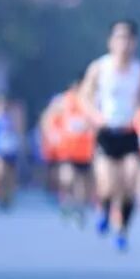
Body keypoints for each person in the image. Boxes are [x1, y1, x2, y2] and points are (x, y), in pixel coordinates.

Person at [80, 19, 140, 251]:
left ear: (134, 42)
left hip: (128, 132)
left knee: (130, 182)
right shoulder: (99, 68)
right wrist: (96, 117)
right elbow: (84, 98)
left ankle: (122, 229)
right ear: (111, 41)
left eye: (128, 38)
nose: (123, 43)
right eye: (119, 38)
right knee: (108, 185)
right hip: (106, 133)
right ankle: (104, 208)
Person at [49, 76, 96, 224]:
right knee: (67, 177)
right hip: (68, 148)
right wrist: (53, 134)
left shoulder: (91, 102)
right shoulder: (64, 100)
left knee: (82, 183)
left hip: (86, 150)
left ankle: (79, 209)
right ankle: (66, 202)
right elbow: (50, 118)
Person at [0, 95, 23, 209]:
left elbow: (19, 131)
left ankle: (8, 196)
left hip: (11, 149)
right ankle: (0, 193)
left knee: (10, 174)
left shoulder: (13, 116)